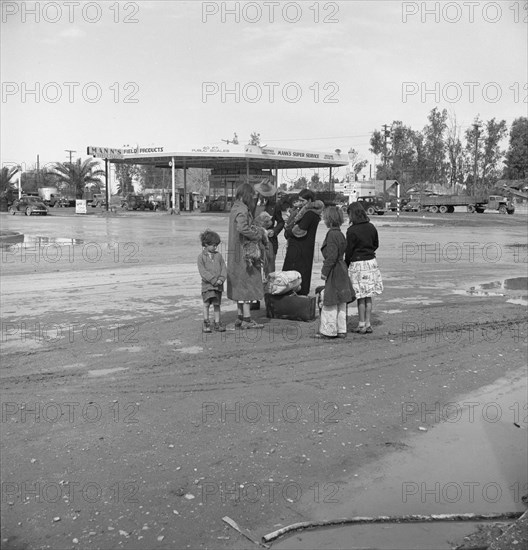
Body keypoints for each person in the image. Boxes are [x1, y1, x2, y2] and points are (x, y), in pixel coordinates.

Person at [227, 183, 265, 329]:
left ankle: (240, 317)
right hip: (245, 253)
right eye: (252, 196)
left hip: (234, 251)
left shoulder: (235, 208)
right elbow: (242, 228)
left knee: (238, 284)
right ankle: (247, 320)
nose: (253, 199)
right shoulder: (242, 209)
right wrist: (256, 235)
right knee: (247, 283)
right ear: (245, 195)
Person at [316, 206, 355, 339]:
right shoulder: (340, 233)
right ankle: (341, 330)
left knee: (330, 300)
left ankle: (329, 331)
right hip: (342, 268)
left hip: (334, 270)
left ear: (329, 219)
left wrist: (324, 272)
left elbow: (331, 256)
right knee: (341, 301)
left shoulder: (331, 234)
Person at [345, 202, 383, 334]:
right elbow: (376, 244)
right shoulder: (371, 227)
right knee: (369, 296)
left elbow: (348, 251)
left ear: (352, 214)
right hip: (371, 263)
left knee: (360, 296)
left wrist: (346, 263)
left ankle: (361, 324)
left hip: (358, 264)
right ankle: (368, 323)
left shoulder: (351, 231)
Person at [282, 189, 324, 295]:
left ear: (309, 200)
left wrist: (288, 232)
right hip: (303, 248)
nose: (300, 203)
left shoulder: (309, 213)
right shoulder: (308, 212)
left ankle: (295, 300)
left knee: (295, 275)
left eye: (303, 200)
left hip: (300, 249)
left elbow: (300, 230)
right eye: (299, 200)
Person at [197, 229, 227, 333]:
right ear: (206, 244)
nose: (215, 247)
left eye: (216, 245)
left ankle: (217, 323)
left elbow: (224, 268)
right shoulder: (201, 257)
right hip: (207, 286)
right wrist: (214, 280)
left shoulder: (218, 256)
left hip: (218, 286)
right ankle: (206, 323)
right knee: (206, 304)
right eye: (213, 245)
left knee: (217, 304)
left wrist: (221, 279)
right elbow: (203, 272)